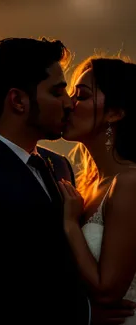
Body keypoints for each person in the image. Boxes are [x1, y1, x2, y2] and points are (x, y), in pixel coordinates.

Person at [0, 38, 134, 324]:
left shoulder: (60, 166)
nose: (68, 103)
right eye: (58, 91)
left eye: (78, 94)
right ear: (17, 100)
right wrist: (84, 315)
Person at [61, 55, 136, 324]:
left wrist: (70, 224)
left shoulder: (129, 182)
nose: (68, 104)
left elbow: (107, 292)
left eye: (81, 96)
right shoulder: (85, 183)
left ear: (115, 113)